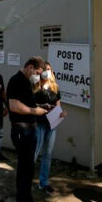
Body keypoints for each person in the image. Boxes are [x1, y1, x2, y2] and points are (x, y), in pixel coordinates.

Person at [7, 56, 48, 202]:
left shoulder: (26, 82)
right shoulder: (16, 80)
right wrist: (34, 111)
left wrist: (42, 106)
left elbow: (27, 103)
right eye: (38, 73)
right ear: (30, 67)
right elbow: (14, 106)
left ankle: (22, 201)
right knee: (26, 170)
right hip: (21, 130)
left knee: (26, 168)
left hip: (29, 129)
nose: (38, 76)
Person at [34, 61, 66, 194]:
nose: (47, 72)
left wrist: (62, 113)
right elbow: (30, 104)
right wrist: (42, 106)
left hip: (51, 125)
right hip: (39, 123)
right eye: (44, 69)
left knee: (48, 154)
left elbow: (58, 106)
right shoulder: (35, 87)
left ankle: (44, 182)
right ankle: (25, 180)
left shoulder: (55, 87)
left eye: (49, 69)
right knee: (34, 153)